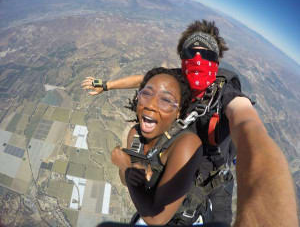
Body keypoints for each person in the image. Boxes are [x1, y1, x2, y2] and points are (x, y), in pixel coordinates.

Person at [82, 20, 299, 226]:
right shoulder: (179, 79)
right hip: (176, 172)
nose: (197, 59)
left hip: (212, 185)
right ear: (182, 59)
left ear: (216, 61)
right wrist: (107, 85)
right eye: (190, 53)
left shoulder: (226, 94)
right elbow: (144, 79)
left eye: (206, 54)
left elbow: (247, 125)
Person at [111, 67, 204, 225]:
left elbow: (157, 218)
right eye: (146, 94)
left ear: (178, 112)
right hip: (147, 209)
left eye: (166, 100)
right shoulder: (136, 135)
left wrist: (127, 166)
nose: (151, 105)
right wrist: (128, 168)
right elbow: (127, 181)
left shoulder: (186, 144)